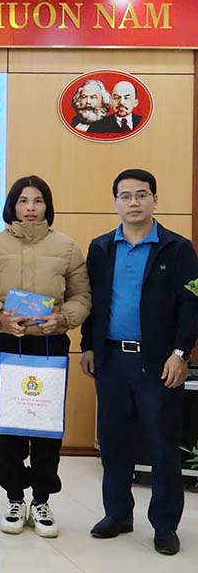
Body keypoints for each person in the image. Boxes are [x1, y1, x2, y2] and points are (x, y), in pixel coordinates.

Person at [80, 168, 197, 556]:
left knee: (162, 443)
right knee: (114, 442)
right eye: (125, 196)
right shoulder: (100, 248)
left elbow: (191, 306)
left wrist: (181, 354)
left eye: (141, 195)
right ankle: (117, 514)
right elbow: (93, 303)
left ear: (155, 200)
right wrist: (88, 345)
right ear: (115, 202)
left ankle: (164, 525)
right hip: (112, 358)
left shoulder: (177, 248)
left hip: (158, 363)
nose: (133, 202)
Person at [0, 176, 91, 538]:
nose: (31, 208)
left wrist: (64, 318)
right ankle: (13, 497)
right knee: (9, 427)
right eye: (24, 201)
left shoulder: (67, 247)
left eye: (38, 201)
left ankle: (41, 499)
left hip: (49, 345)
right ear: (12, 205)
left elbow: (82, 295)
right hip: (8, 344)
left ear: (47, 206)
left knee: (45, 427)